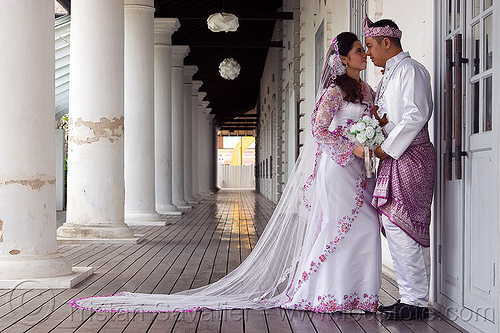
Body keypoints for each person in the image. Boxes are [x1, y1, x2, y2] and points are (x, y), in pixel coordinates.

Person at [70, 32, 382, 314]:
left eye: (364, 49)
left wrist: (374, 136)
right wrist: (352, 148)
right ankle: (328, 294)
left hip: (360, 170)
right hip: (338, 167)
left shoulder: (367, 90)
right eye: (358, 50)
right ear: (342, 57)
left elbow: (372, 122)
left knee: (364, 228)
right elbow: (318, 130)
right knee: (341, 228)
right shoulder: (333, 92)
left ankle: (356, 294)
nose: (364, 54)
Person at [364, 15, 436, 320]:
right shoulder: (389, 75)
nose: (367, 53)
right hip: (395, 157)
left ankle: (416, 300)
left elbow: (417, 114)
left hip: (411, 156)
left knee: (407, 228)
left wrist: (385, 147)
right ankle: (410, 297)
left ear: (386, 42)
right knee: (396, 227)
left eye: (369, 46)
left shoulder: (410, 70)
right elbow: (391, 119)